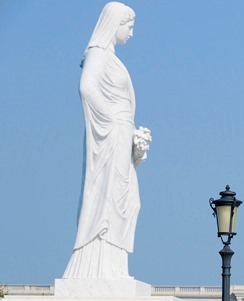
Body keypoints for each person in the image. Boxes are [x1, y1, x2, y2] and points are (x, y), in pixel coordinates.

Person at [64, 2, 151, 279]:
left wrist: (135, 139)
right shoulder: (98, 53)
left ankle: (113, 266)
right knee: (109, 200)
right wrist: (114, 122)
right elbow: (86, 88)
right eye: (130, 26)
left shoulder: (112, 57)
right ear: (115, 23)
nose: (131, 33)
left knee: (127, 202)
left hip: (121, 136)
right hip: (111, 136)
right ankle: (97, 268)